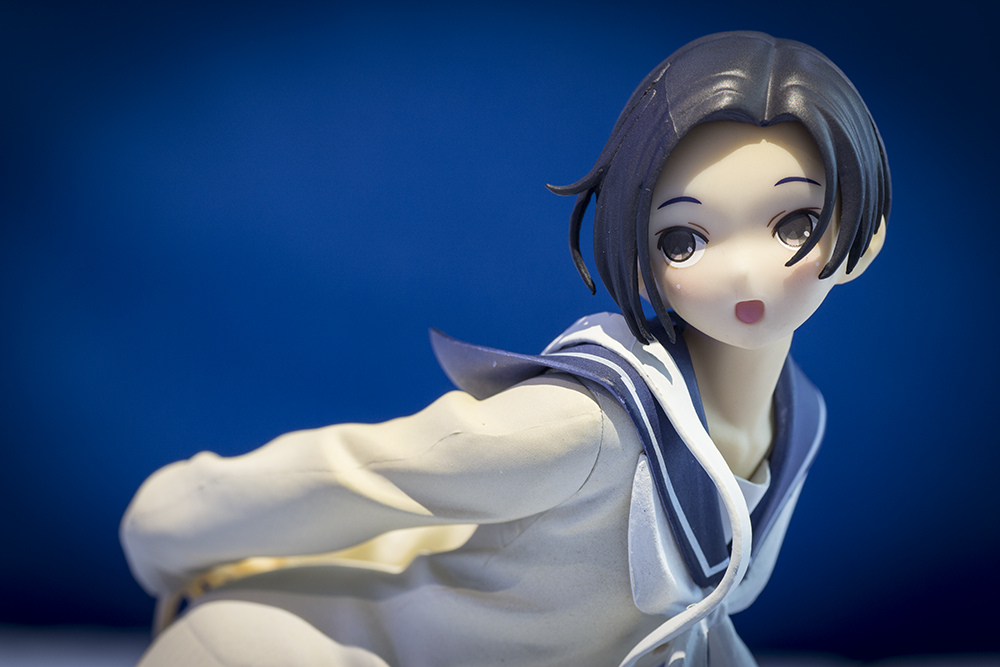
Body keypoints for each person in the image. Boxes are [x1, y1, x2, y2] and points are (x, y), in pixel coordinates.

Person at [121, 31, 889, 667]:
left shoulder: (798, 419)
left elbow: (696, 616)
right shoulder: (587, 426)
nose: (745, 270)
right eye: (684, 238)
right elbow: (366, 473)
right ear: (641, 257)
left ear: (866, 231)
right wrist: (169, 525)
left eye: (794, 224)